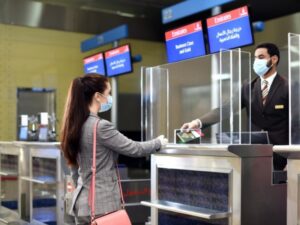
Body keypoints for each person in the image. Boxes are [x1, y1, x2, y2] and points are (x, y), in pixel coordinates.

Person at [60, 74, 168, 225]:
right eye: (108, 92)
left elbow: (73, 168)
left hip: (81, 203)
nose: (109, 97)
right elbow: (134, 149)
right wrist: (158, 142)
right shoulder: (101, 126)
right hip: (102, 205)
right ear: (97, 96)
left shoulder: (75, 125)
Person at [181, 43, 288, 170]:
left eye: (261, 57)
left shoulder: (288, 86)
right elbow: (226, 108)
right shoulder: (248, 87)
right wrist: (197, 123)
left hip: (281, 155)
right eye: (255, 58)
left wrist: (293, 156)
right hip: (254, 155)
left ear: (274, 59)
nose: (256, 61)